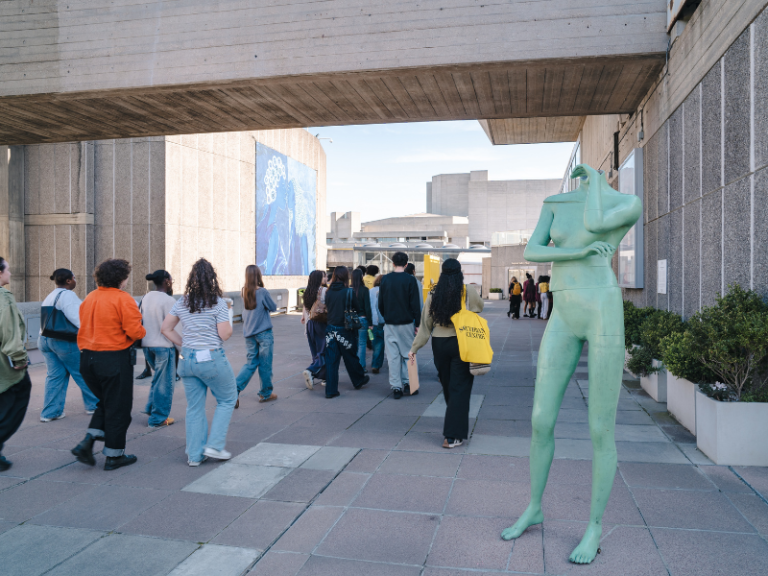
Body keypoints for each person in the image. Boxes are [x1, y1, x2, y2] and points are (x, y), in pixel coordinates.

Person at [501, 163, 642, 564]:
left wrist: (597, 181)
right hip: (563, 312)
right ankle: (534, 506)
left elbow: (597, 221)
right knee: (540, 419)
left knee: (600, 427)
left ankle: (594, 525)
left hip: (602, 310)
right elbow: (533, 250)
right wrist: (578, 251)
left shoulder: (627, 203)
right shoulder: (555, 203)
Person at [161, 258, 237, 466]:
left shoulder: (182, 302)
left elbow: (165, 328)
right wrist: (228, 313)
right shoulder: (218, 303)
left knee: (194, 407)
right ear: (212, 278)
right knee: (228, 399)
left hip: (187, 359)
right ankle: (215, 445)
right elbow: (225, 334)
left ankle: (194, 456)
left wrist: (184, 343)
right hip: (211, 357)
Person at [71, 259, 145, 471]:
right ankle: (114, 456)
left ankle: (88, 441)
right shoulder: (123, 299)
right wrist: (143, 331)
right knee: (119, 408)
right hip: (113, 358)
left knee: (106, 402)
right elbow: (135, 331)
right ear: (121, 279)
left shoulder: (90, 297)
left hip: (87, 359)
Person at [409, 259, 482, 449]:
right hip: (462, 342)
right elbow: (479, 307)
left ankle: (454, 423)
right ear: (460, 273)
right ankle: (452, 436)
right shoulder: (468, 291)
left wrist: (414, 348)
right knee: (460, 388)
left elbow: (425, 325)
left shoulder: (434, 293)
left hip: (439, 344)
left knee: (449, 386)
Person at [38, 268, 99, 421]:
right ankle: (95, 405)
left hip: (45, 339)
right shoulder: (68, 295)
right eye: (74, 278)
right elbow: (79, 320)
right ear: (68, 280)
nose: (75, 280)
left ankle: (50, 413)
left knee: (55, 376)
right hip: (64, 342)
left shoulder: (51, 295)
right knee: (83, 372)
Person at [0, 257, 31, 472]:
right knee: (15, 400)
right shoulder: (3, 298)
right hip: (5, 367)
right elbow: (9, 331)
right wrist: (20, 359)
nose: (10, 273)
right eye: (7, 270)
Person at [378, 252, 421, 399]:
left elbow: (380, 304)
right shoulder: (410, 280)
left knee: (393, 357)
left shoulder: (385, 279)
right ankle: (410, 384)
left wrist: (386, 316)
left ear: (393, 263)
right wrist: (418, 323)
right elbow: (415, 304)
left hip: (390, 323)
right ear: (407, 264)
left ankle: (396, 387)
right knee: (409, 355)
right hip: (407, 323)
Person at [323, 266, 369, 399]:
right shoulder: (348, 292)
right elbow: (358, 308)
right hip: (345, 330)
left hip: (330, 329)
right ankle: (358, 380)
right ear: (345, 276)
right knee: (350, 357)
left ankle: (330, 390)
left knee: (331, 360)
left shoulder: (329, 292)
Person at [235, 265, 277, 407]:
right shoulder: (263, 292)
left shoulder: (244, 291)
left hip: (249, 334)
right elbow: (273, 307)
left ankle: (234, 389)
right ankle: (265, 394)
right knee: (265, 364)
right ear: (258, 275)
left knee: (250, 364)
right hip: (264, 334)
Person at [140, 270, 177, 428]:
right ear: (167, 281)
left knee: (158, 379)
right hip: (163, 346)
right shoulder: (169, 301)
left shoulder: (146, 297)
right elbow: (174, 326)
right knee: (166, 383)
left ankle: (151, 407)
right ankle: (158, 418)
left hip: (147, 345)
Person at [301, 270, 327, 389]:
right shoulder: (323, 291)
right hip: (320, 323)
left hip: (310, 324)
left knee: (315, 351)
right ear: (318, 279)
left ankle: (324, 376)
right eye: (323, 276)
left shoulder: (307, 292)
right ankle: (311, 371)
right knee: (324, 351)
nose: (325, 278)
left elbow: (306, 311)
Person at [352, 269, 372, 373]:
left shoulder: (349, 290)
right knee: (362, 343)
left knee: (354, 343)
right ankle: (361, 366)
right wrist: (371, 322)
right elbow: (368, 307)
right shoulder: (364, 290)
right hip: (363, 319)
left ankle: (354, 366)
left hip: (351, 320)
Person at [369, 275, 385, 374]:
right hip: (384, 320)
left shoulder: (370, 291)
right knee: (382, 343)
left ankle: (375, 364)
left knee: (377, 343)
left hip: (373, 320)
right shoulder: (386, 291)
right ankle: (377, 363)